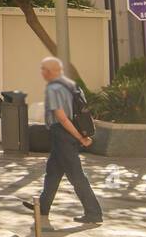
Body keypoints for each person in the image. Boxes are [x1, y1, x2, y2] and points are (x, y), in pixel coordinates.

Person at [24, 56, 103, 224]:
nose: (42, 73)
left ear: (51, 71)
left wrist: (81, 138)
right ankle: (43, 206)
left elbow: (62, 118)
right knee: (52, 171)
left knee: (76, 176)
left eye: (44, 70)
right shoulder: (73, 86)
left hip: (64, 136)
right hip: (65, 137)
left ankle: (94, 212)